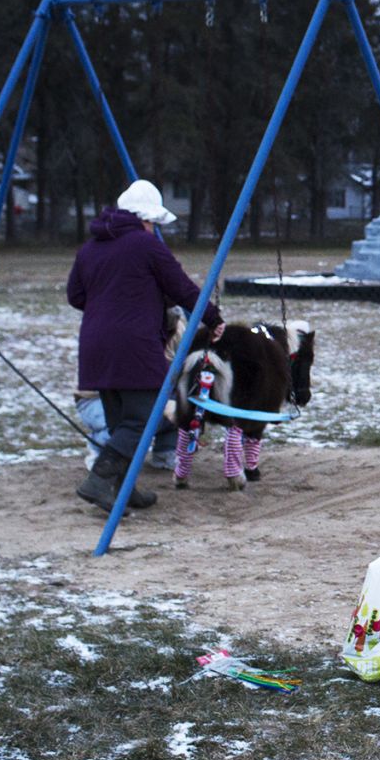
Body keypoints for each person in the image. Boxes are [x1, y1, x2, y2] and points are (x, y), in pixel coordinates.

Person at [66, 179, 223, 511]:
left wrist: (109, 305)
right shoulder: (145, 245)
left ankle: (123, 487)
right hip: (133, 345)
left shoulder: (90, 247)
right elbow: (181, 288)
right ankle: (99, 479)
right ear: (145, 218)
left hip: (95, 346)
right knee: (144, 417)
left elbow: (75, 296)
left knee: (121, 420)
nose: (153, 229)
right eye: (153, 223)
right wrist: (213, 317)